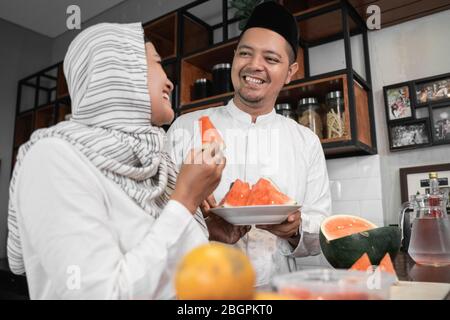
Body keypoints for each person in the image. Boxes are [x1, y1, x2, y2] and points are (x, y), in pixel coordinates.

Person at [7, 22, 225, 299]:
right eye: (157, 63)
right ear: (120, 71)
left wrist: (208, 231)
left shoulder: (161, 168)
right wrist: (185, 201)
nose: (170, 81)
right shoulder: (52, 158)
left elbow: (173, 273)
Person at [167, 2, 331, 288]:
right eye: (245, 53)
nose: (254, 65)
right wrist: (202, 228)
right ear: (234, 57)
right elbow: (152, 220)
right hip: (201, 292)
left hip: (278, 291)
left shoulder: (306, 142)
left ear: (290, 71)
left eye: (271, 58)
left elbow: (320, 232)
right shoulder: (185, 127)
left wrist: (296, 230)